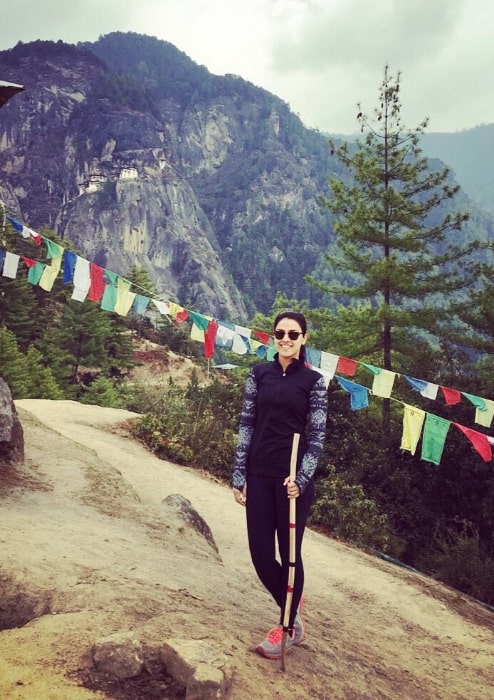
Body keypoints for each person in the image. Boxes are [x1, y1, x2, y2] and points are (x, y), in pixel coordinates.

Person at [232, 311, 328, 659]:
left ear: (304, 339)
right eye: (280, 333)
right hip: (258, 474)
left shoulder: (314, 381)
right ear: (274, 337)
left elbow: (317, 437)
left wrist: (301, 479)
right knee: (260, 555)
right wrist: (238, 473)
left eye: (293, 334)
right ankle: (294, 613)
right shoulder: (259, 375)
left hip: (291, 482)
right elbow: (246, 424)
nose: (285, 339)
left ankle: (287, 627)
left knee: (290, 557)